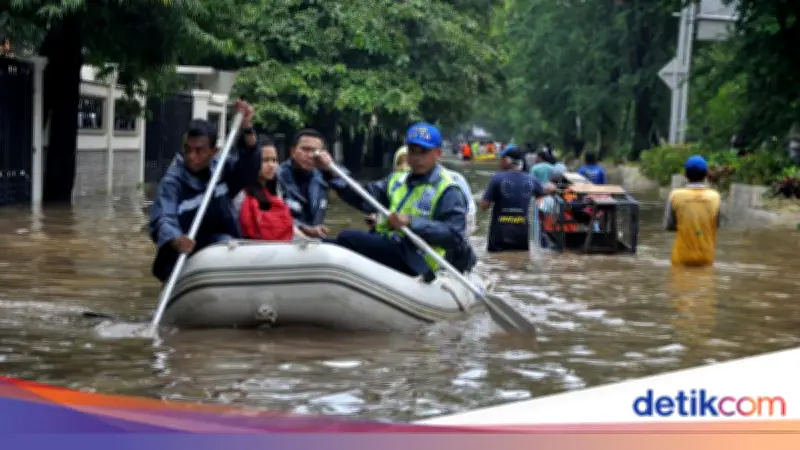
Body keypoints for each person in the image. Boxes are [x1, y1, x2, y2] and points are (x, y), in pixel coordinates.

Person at [319, 122, 477, 281]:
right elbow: (364, 198)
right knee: (325, 243)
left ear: (437, 153)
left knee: (348, 237)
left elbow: (454, 235)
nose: (417, 158)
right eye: (412, 151)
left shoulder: (448, 189)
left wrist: (411, 222)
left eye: (423, 152)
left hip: (418, 258)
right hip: (390, 245)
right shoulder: (396, 180)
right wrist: (333, 175)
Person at [148, 100, 260, 282]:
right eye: (188, 149)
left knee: (226, 241)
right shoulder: (173, 181)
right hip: (184, 252)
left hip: (221, 245)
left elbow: (249, 168)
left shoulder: (222, 169)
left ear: (214, 151)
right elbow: (164, 218)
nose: (192, 156)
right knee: (221, 241)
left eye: (199, 151)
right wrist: (176, 239)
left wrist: (246, 127)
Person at [480, 146, 553, 252]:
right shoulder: (531, 179)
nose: (500, 163)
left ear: (507, 161)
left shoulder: (497, 178)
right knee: (520, 264)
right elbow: (544, 191)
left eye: (502, 159)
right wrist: (552, 188)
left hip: (499, 235)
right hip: (521, 235)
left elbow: (484, 206)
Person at [277, 129, 346, 239]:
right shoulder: (277, 176)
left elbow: (348, 186)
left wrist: (330, 167)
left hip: (315, 241)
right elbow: (274, 215)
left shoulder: (323, 175)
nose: (310, 155)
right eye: (305, 149)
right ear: (293, 151)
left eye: (315, 151)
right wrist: (303, 228)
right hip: (287, 240)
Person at [237, 137, 305, 241]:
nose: (271, 165)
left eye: (274, 160)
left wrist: (308, 241)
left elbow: (289, 226)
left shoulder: (276, 189)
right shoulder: (241, 193)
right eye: (265, 160)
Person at [664, 155, 721, 267]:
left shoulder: (675, 195)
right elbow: (716, 225)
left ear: (685, 174)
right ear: (705, 174)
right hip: (706, 258)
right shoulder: (715, 197)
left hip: (681, 257)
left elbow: (668, 225)